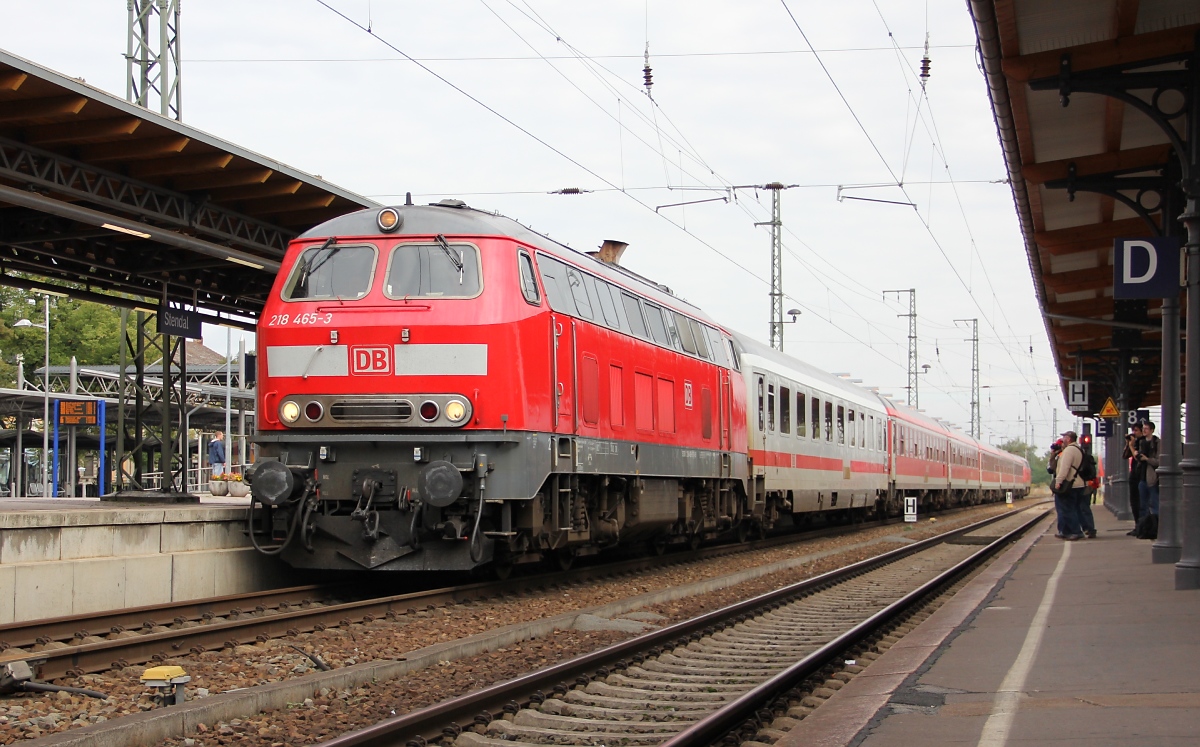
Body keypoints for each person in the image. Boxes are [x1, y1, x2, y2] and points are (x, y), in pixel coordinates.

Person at [1053, 430, 1085, 540]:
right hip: (1078, 483)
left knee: (1068, 509)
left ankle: (1075, 532)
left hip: (1070, 484)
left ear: (1069, 439)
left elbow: (1064, 468)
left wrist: (1058, 481)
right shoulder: (1078, 449)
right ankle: (1066, 531)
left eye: (1064, 437)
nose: (1062, 440)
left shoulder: (1069, 451)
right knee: (1072, 509)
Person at [1135, 421, 1160, 539]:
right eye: (1143, 428)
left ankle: (1156, 528)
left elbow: (1159, 461)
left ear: (1152, 430)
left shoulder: (1157, 443)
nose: (1144, 430)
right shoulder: (1141, 443)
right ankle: (1143, 528)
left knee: (1154, 504)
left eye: (1146, 429)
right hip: (1142, 477)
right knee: (1142, 505)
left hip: (1153, 478)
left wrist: (1147, 459)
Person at [1122, 422, 1143, 532]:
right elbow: (1125, 456)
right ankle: (1137, 525)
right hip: (1134, 475)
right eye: (1133, 431)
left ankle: (1142, 526)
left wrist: (1131, 446)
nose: (1134, 433)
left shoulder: (1144, 442)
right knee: (1134, 502)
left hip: (1142, 475)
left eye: (1136, 431)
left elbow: (1138, 457)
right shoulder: (1135, 443)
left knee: (1141, 502)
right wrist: (1128, 444)